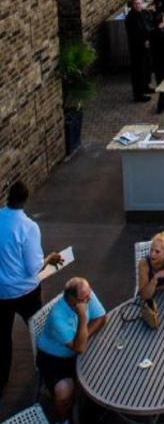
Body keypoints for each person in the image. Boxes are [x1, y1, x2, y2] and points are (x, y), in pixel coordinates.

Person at [0, 181, 64, 397]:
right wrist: (50, 257)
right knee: (40, 331)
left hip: (1, 292)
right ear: (26, 199)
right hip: (26, 292)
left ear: (9, 197)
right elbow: (34, 267)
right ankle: (47, 373)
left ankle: (2, 381)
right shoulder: (28, 227)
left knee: (3, 337)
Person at [36, 277, 106, 424]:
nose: (89, 299)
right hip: (55, 358)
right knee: (64, 393)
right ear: (72, 300)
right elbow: (79, 348)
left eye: (89, 294)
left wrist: (84, 335)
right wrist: (82, 317)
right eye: (84, 299)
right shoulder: (57, 317)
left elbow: (101, 317)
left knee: (106, 366)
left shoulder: (86, 295)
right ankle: (64, 419)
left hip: (77, 349)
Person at [125, 0, 152, 102]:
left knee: (146, 68)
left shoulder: (142, 13)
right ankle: (138, 94)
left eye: (140, 3)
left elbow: (148, 25)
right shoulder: (130, 18)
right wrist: (143, 42)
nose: (138, 6)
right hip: (137, 48)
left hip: (146, 46)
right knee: (138, 71)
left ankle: (145, 87)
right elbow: (134, 34)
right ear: (132, 5)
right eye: (136, 4)